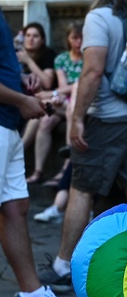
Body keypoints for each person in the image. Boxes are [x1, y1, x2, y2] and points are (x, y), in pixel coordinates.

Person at [39, 0, 127, 293]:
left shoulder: (98, 18)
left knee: (82, 188)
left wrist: (76, 119)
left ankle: (62, 266)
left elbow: (91, 72)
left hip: (107, 118)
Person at [0, 0, 82, 297]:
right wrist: (22, 100)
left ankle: (32, 295)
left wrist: (22, 87)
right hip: (4, 122)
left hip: (9, 125)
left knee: (16, 207)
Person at [24, 22, 81, 187]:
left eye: (81, 38)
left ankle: (65, 168)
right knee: (45, 121)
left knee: (42, 103)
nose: (78, 42)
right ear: (68, 39)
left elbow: (81, 84)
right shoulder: (62, 59)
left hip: (79, 103)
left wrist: (53, 93)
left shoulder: (88, 58)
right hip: (62, 101)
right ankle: (38, 171)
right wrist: (58, 95)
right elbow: (64, 86)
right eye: (74, 38)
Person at [18, 22, 56, 183]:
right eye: (28, 35)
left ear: (42, 40)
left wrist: (28, 61)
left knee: (41, 117)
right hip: (19, 103)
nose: (31, 39)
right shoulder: (15, 54)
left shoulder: (47, 54)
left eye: (35, 36)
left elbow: (47, 82)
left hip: (49, 103)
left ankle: (19, 149)